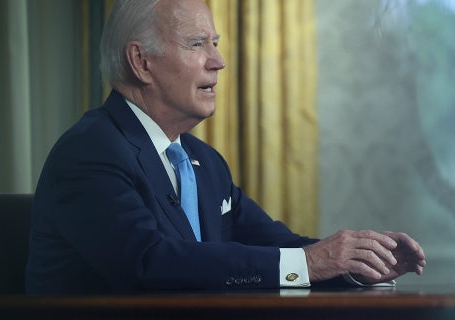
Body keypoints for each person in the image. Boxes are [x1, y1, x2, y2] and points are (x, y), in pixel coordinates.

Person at [25, 0, 426, 294]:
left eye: (214, 43)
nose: (218, 61)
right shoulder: (92, 151)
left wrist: (356, 264)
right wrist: (311, 263)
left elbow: (275, 246)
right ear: (141, 62)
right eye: (198, 44)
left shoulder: (203, 161)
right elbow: (147, 265)